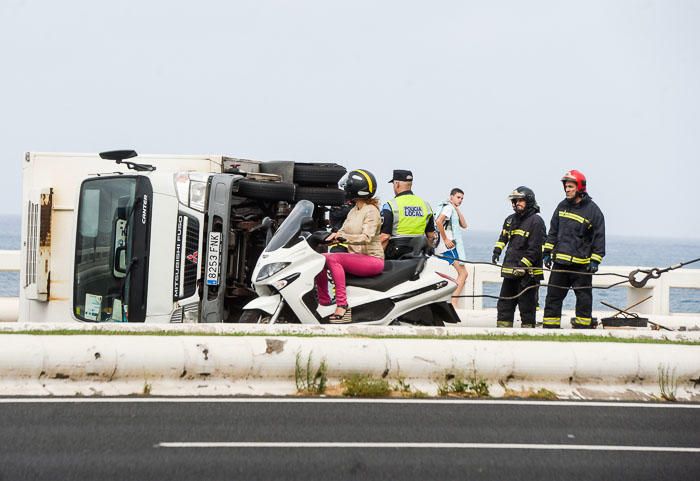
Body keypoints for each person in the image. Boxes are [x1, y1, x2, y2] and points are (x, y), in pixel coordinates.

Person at [316, 169, 384, 323]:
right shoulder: (354, 211)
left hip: (372, 259)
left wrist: (342, 237)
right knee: (319, 259)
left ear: (355, 189)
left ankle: (342, 304)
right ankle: (324, 302)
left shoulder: (371, 211)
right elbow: (341, 231)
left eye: (347, 185)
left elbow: (366, 237)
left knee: (333, 259)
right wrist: (325, 238)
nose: (344, 188)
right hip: (356, 257)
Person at [542, 170, 606, 329]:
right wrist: (547, 253)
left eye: (570, 186)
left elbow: (599, 237)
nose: (567, 190)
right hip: (560, 264)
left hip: (581, 266)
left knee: (584, 299)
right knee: (552, 298)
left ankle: (583, 330)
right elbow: (553, 232)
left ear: (580, 188)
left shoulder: (593, 211)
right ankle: (550, 330)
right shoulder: (561, 206)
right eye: (566, 187)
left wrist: (595, 260)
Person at [492, 186, 546, 328]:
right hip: (511, 272)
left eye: (520, 200)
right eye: (514, 201)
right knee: (504, 303)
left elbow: (535, 249)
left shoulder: (536, 221)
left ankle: (527, 332)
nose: (516, 203)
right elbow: (503, 237)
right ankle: (502, 331)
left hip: (528, 274)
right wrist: (497, 251)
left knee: (527, 305)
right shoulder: (510, 220)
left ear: (529, 201)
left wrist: (523, 266)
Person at [380, 169, 436, 260]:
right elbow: (431, 236)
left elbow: (385, 237)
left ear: (396, 184)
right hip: (418, 255)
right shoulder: (425, 205)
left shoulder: (390, 205)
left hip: (395, 256)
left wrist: (377, 259)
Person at [435, 188, 469, 307]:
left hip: (443, 247)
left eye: (462, 198)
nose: (460, 200)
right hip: (448, 247)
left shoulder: (451, 208)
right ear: (451, 197)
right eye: (458, 197)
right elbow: (439, 221)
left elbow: (464, 225)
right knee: (463, 273)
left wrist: (457, 209)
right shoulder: (449, 208)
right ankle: (453, 302)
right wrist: (446, 239)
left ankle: (449, 301)